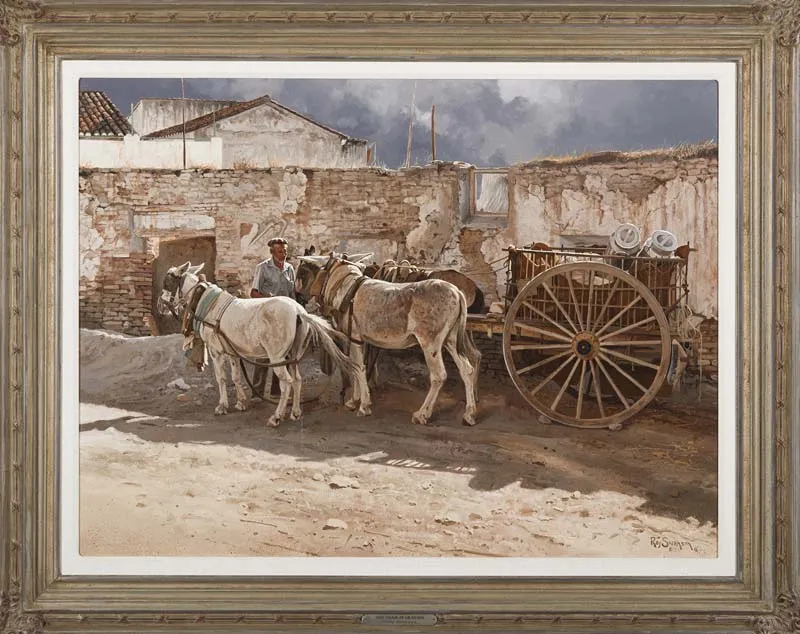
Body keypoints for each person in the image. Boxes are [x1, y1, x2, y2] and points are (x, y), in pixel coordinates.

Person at [249, 237, 296, 397]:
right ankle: (257, 393)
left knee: (284, 354)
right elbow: (253, 293)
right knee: (264, 355)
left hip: (285, 318)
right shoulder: (263, 268)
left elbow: (292, 294)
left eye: (285, 251)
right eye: (280, 251)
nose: (283, 254)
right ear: (272, 252)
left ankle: (277, 392)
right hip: (267, 317)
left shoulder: (290, 269)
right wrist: (268, 299)